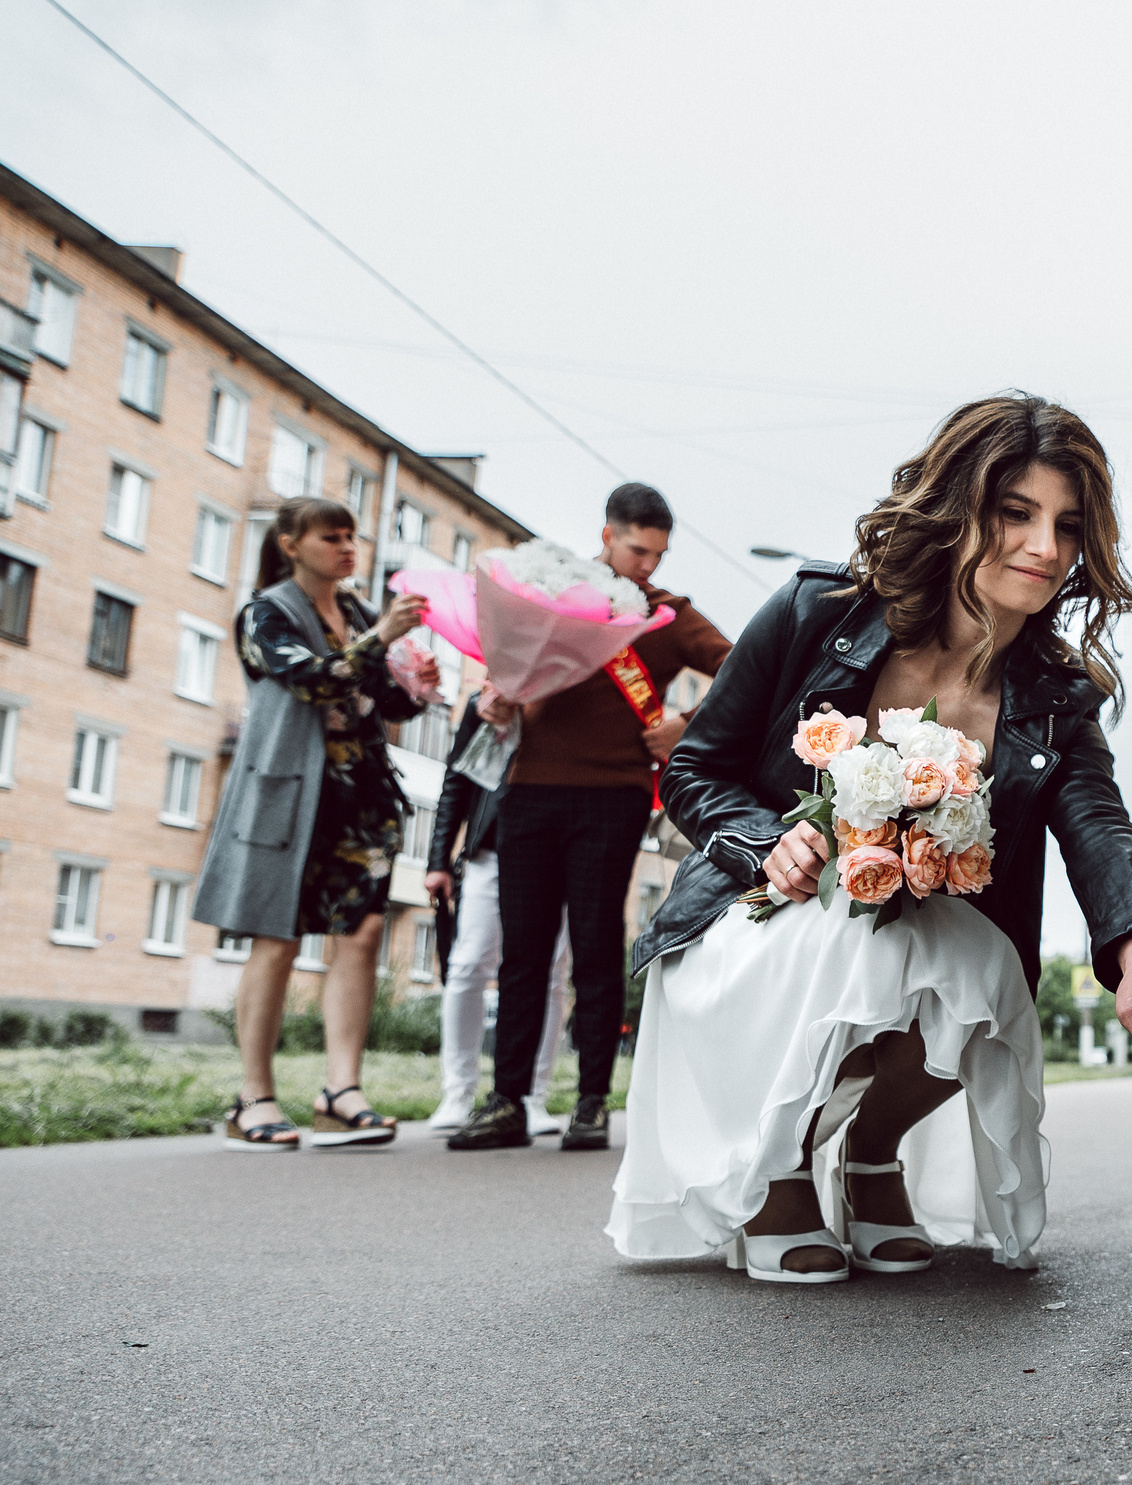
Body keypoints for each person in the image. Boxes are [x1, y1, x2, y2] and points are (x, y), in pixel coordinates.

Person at [607, 393, 1132, 1283]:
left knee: (987, 972)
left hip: (914, 943)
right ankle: (778, 1172)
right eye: (1015, 514)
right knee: (853, 940)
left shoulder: (1056, 696)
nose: (1044, 549)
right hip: (753, 932)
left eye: (1067, 526)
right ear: (957, 511)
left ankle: (870, 1154)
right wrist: (768, 843)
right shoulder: (813, 612)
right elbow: (693, 770)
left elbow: (1100, 824)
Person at [450, 483, 732, 1153]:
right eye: (637, 549)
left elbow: (745, 665)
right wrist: (497, 701)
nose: (647, 567)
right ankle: (507, 1101)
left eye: (658, 555)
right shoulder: (544, 600)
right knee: (522, 955)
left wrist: (685, 725)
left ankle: (591, 1104)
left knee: (598, 950)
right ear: (606, 535)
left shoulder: (664, 615)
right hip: (528, 791)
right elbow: (509, 675)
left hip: (613, 795)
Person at [193, 497, 438, 1150]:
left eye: (353, 536)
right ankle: (253, 1097)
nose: (347, 547)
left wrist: (413, 687)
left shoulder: (357, 612)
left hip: (359, 798)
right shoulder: (265, 612)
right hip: (290, 796)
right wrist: (381, 639)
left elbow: (381, 701)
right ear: (291, 543)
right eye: (332, 537)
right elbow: (314, 678)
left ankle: (340, 1090)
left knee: (358, 936)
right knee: (275, 937)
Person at [419, 696, 574, 1135]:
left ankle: (531, 1098)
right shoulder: (483, 702)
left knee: (549, 973)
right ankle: (458, 1094)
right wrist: (438, 860)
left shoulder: (574, 696)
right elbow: (457, 780)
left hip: (555, 850)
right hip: (489, 849)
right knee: (467, 966)